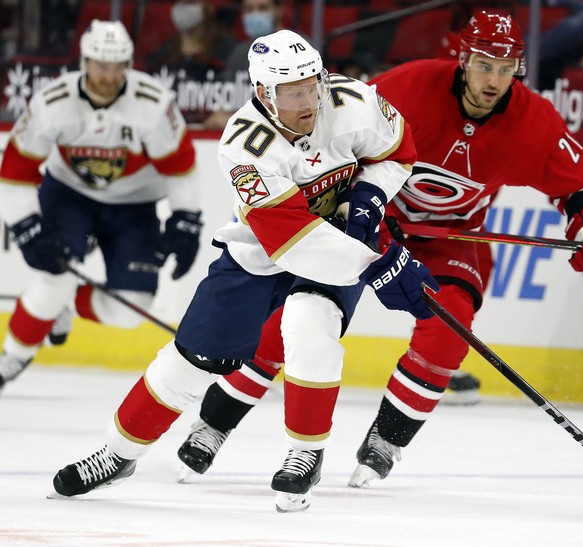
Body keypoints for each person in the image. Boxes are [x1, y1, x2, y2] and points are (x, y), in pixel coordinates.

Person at [173, 11, 583, 490]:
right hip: (368, 222)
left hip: (450, 237)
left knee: (449, 331)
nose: (494, 80)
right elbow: (339, 131)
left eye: (506, 68)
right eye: (485, 65)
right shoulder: (409, 86)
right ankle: (214, 423)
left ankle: (387, 440)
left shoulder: (532, 121)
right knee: (295, 321)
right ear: (464, 59)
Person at [51, 29, 438, 513]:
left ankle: (306, 452)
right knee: (191, 359)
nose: (308, 100)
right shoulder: (244, 146)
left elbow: (396, 152)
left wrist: (367, 201)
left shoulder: (352, 101)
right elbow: (293, 240)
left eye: (312, 85)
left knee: (309, 322)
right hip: (264, 252)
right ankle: (117, 454)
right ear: (263, 93)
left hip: (337, 243)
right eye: (292, 91)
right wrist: (378, 264)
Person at [0, 20, 201, 392]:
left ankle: (65, 306)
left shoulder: (152, 104)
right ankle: (12, 356)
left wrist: (186, 221)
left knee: (130, 308)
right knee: (50, 279)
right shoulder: (52, 102)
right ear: (84, 60)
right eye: (100, 65)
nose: (108, 75)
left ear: (127, 64)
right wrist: (26, 225)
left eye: (117, 66)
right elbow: (15, 171)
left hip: (135, 205)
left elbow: (181, 169)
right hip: (68, 196)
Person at [202, 0, 284, 130]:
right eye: (249, 9)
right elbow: (224, 104)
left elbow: (291, 113)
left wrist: (235, 121)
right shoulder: (240, 52)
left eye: (262, 8)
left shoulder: (296, 48)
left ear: (278, 10)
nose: (255, 14)